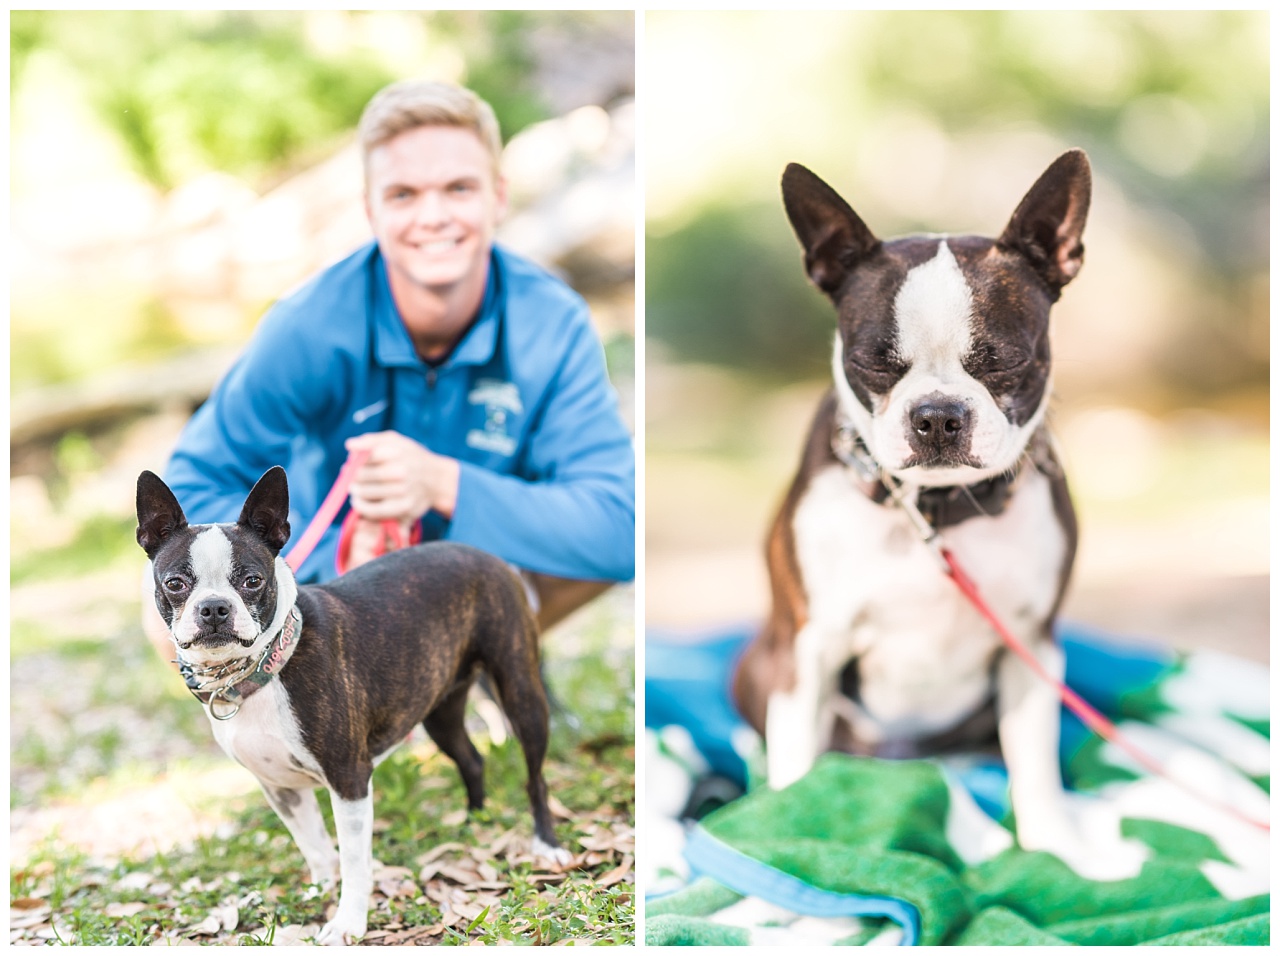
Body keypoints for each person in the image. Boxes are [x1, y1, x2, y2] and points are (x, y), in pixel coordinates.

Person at [143, 79, 634, 656]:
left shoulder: (552, 323)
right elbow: (194, 485)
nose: (433, 216)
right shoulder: (307, 325)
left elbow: (620, 527)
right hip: (326, 592)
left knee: (586, 557)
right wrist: (326, 561)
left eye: (458, 188)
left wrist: (444, 484)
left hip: (478, 573)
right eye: (403, 194)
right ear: (371, 208)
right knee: (161, 614)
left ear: (498, 197)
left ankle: (470, 668)